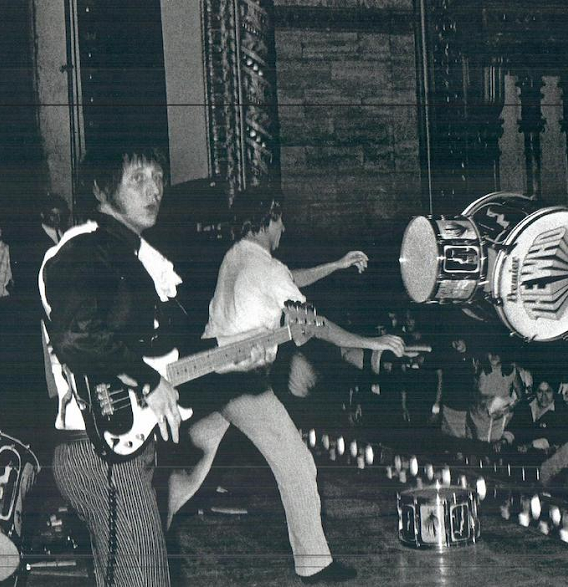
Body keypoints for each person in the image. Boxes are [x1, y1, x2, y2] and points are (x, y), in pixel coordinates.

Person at [166, 187, 405, 584]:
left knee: (195, 466)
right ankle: (315, 565)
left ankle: (154, 527)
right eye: (280, 220)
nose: (284, 227)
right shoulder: (267, 269)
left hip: (208, 378)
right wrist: (370, 341)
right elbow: (313, 324)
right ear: (268, 218)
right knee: (297, 466)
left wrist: (337, 264)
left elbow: (290, 279)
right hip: (242, 383)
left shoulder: (237, 257)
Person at [40, 144, 184, 587]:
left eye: (158, 177)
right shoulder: (84, 248)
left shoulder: (133, 256)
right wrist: (146, 380)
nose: (153, 189)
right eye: (137, 178)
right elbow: (76, 336)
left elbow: (156, 352)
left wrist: (239, 358)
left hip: (122, 444)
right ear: (102, 190)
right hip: (98, 452)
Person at [432, 336, 475, 438]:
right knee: (448, 438)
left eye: (458, 340)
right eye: (454, 341)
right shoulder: (450, 359)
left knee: (462, 438)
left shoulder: (473, 359)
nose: (456, 344)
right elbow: (443, 383)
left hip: (464, 409)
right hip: (449, 406)